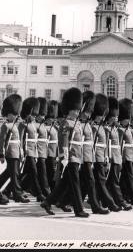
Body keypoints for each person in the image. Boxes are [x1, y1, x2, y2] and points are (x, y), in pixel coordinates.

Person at [41, 87, 89, 217]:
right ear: (69, 109)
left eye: (78, 109)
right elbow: (63, 142)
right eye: (75, 110)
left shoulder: (76, 123)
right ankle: (79, 209)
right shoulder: (65, 123)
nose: (77, 112)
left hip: (77, 156)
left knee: (64, 183)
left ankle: (48, 201)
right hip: (70, 157)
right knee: (75, 183)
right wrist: (64, 157)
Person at [91, 93, 121, 212]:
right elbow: (92, 144)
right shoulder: (94, 127)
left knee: (91, 182)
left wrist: (107, 157)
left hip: (103, 157)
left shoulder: (104, 127)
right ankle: (110, 203)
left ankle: (62, 200)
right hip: (95, 157)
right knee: (100, 181)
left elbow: (106, 145)